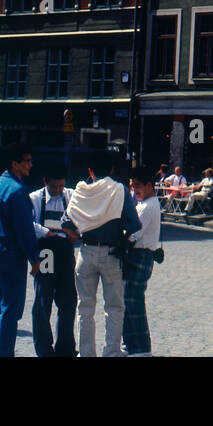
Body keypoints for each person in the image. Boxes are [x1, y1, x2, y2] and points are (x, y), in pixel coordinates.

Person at [63, 150, 141, 357]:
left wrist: (78, 234)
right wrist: (122, 240)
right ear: (112, 169)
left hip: (86, 251)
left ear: (90, 170)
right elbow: (134, 225)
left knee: (85, 308)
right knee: (114, 306)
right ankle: (112, 351)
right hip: (111, 253)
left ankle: (87, 353)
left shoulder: (80, 192)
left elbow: (66, 223)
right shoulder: (119, 191)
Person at [0, 143, 42, 357]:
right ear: (15, 164)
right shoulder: (18, 191)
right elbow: (24, 230)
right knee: (9, 310)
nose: (31, 165)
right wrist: (34, 258)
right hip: (11, 256)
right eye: (27, 161)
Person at [29, 165, 78, 357]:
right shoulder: (34, 199)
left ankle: (65, 348)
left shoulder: (71, 196)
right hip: (46, 252)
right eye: (53, 187)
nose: (57, 190)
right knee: (43, 300)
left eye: (60, 186)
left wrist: (76, 232)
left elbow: (83, 216)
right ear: (45, 182)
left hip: (65, 252)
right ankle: (44, 350)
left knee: (68, 301)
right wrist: (46, 232)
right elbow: (28, 222)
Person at [123, 166, 162, 357]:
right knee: (129, 301)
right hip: (138, 256)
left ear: (149, 185)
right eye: (132, 186)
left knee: (133, 302)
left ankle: (141, 348)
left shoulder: (148, 206)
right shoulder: (144, 203)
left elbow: (134, 233)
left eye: (137, 186)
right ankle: (131, 345)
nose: (134, 190)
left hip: (141, 256)